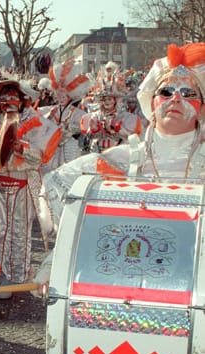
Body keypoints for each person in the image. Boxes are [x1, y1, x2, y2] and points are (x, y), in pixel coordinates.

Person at [35, 42, 205, 292]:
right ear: (152, 103)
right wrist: (57, 265)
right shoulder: (121, 160)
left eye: (188, 93)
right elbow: (64, 194)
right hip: (126, 289)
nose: (176, 98)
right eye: (166, 92)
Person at [0, 79, 61, 299]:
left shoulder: (37, 125)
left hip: (21, 185)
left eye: (13, 96)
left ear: (23, 99)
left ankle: (16, 276)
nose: (8, 101)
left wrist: (20, 147)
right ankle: (2, 272)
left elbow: (40, 159)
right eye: (3, 97)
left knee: (18, 234)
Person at [38, 58, 90, 173]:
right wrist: (49, 117)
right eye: (58, 96)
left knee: (70, 172)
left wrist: (69, 128)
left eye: (63, 96)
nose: (60, 98)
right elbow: (38, 120)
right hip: (52, 147)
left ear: (70, 96)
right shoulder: (50, 110)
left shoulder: (78, 113)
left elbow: (84, 128)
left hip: (70, 146)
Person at [80, 79, 142, 153]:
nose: (107, 102)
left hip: (117, 152)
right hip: (97, 151)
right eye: (104, 100)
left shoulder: (124, 116)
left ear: (115, 100)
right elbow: (89, 137)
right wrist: (94, 129)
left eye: (109, 99)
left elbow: (130, 137)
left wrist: (117, 129)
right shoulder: (95, 115)